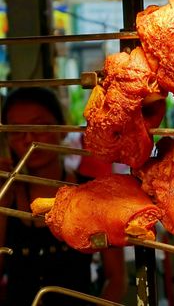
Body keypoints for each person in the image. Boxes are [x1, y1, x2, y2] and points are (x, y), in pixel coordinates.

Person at [0, 87, 126, 306]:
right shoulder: (6, 195)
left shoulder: (92, 191)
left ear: (62, 128)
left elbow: (116, 278)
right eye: (17, 130)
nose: (29, 138)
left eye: (40, 127)